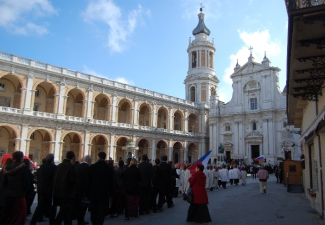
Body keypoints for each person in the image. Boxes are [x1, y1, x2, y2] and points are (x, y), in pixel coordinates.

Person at [85, 152, 114, 225]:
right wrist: (111, 193)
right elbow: (111, 183)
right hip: (104, 194)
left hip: (93, 194)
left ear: (98, 157)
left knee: (93, 211)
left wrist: (86, 194)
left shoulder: (92, 167)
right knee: (101, 212)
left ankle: (94, 223)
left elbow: (88, 181)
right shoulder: (109, 168)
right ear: (105, 157)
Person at [3, 151, 30, 225]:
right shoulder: (23, 167)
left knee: (9, 214)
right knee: (20, 214)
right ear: (21, 157)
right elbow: (26, 183)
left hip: (9, 194)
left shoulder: (8, 167)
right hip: (19, 195)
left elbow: (5, 182)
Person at [30, 153, 57, 225]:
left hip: (42, 189)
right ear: (52, 159)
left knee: (40, 206)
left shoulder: (41, 167)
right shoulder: (54, 167)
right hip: (50, 189)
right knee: (52, 207)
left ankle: (33, 221)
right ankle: (52, 222)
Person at [53, 150, 78, 225]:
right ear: (73, 158)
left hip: (58, 190)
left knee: (65, 209)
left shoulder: (59, 165)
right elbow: (73, 180)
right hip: (67, 192)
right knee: (63, 210)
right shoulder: (71, 166)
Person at [75, 155, 91, 225]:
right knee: (83, 207)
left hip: (77, 189)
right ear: (88, 160)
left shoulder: (78, 166)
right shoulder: (88, 167)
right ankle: (81, 220)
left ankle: (78, 219)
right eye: (91, 160)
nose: (91, 161)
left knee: (78, 205)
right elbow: (88, 180)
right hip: (84, 189)